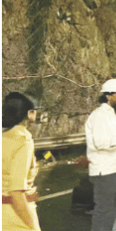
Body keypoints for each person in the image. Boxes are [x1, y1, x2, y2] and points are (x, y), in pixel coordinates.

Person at [86, 79, 116, 231]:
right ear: (108, 96)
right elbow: (100, 142)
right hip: (106, 171)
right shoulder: (100, 115)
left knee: (113, 209)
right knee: (104, 211)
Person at [2, 92, 41, 231]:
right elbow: (16, 191)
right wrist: (32, 226)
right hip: (16, 217)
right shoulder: (23, 140)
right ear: (30, 113)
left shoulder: (3, 136)